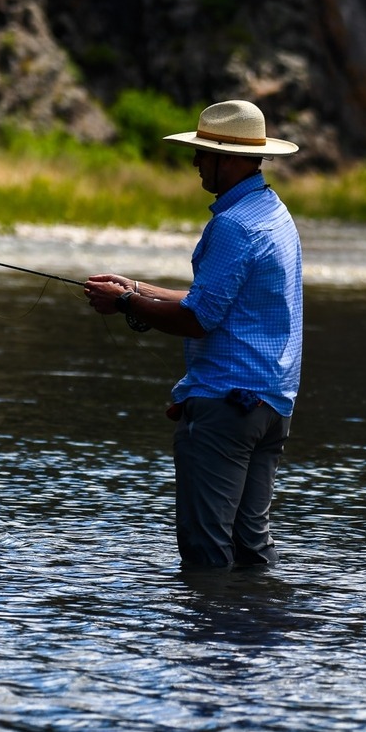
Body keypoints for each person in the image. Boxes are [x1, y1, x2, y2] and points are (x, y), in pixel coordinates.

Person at [85, 100, 303, 571]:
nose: (195, 162)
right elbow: (216, 298)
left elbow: (198, 319)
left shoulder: (232, 225)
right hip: (271, 406)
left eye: (203, 153)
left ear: (229, 159)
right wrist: (136, 287)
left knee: (206, 550)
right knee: (250, 546)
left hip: (226, 408)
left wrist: (123, 304)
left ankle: (211, 639)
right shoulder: (273, 212)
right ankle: (257, 633)